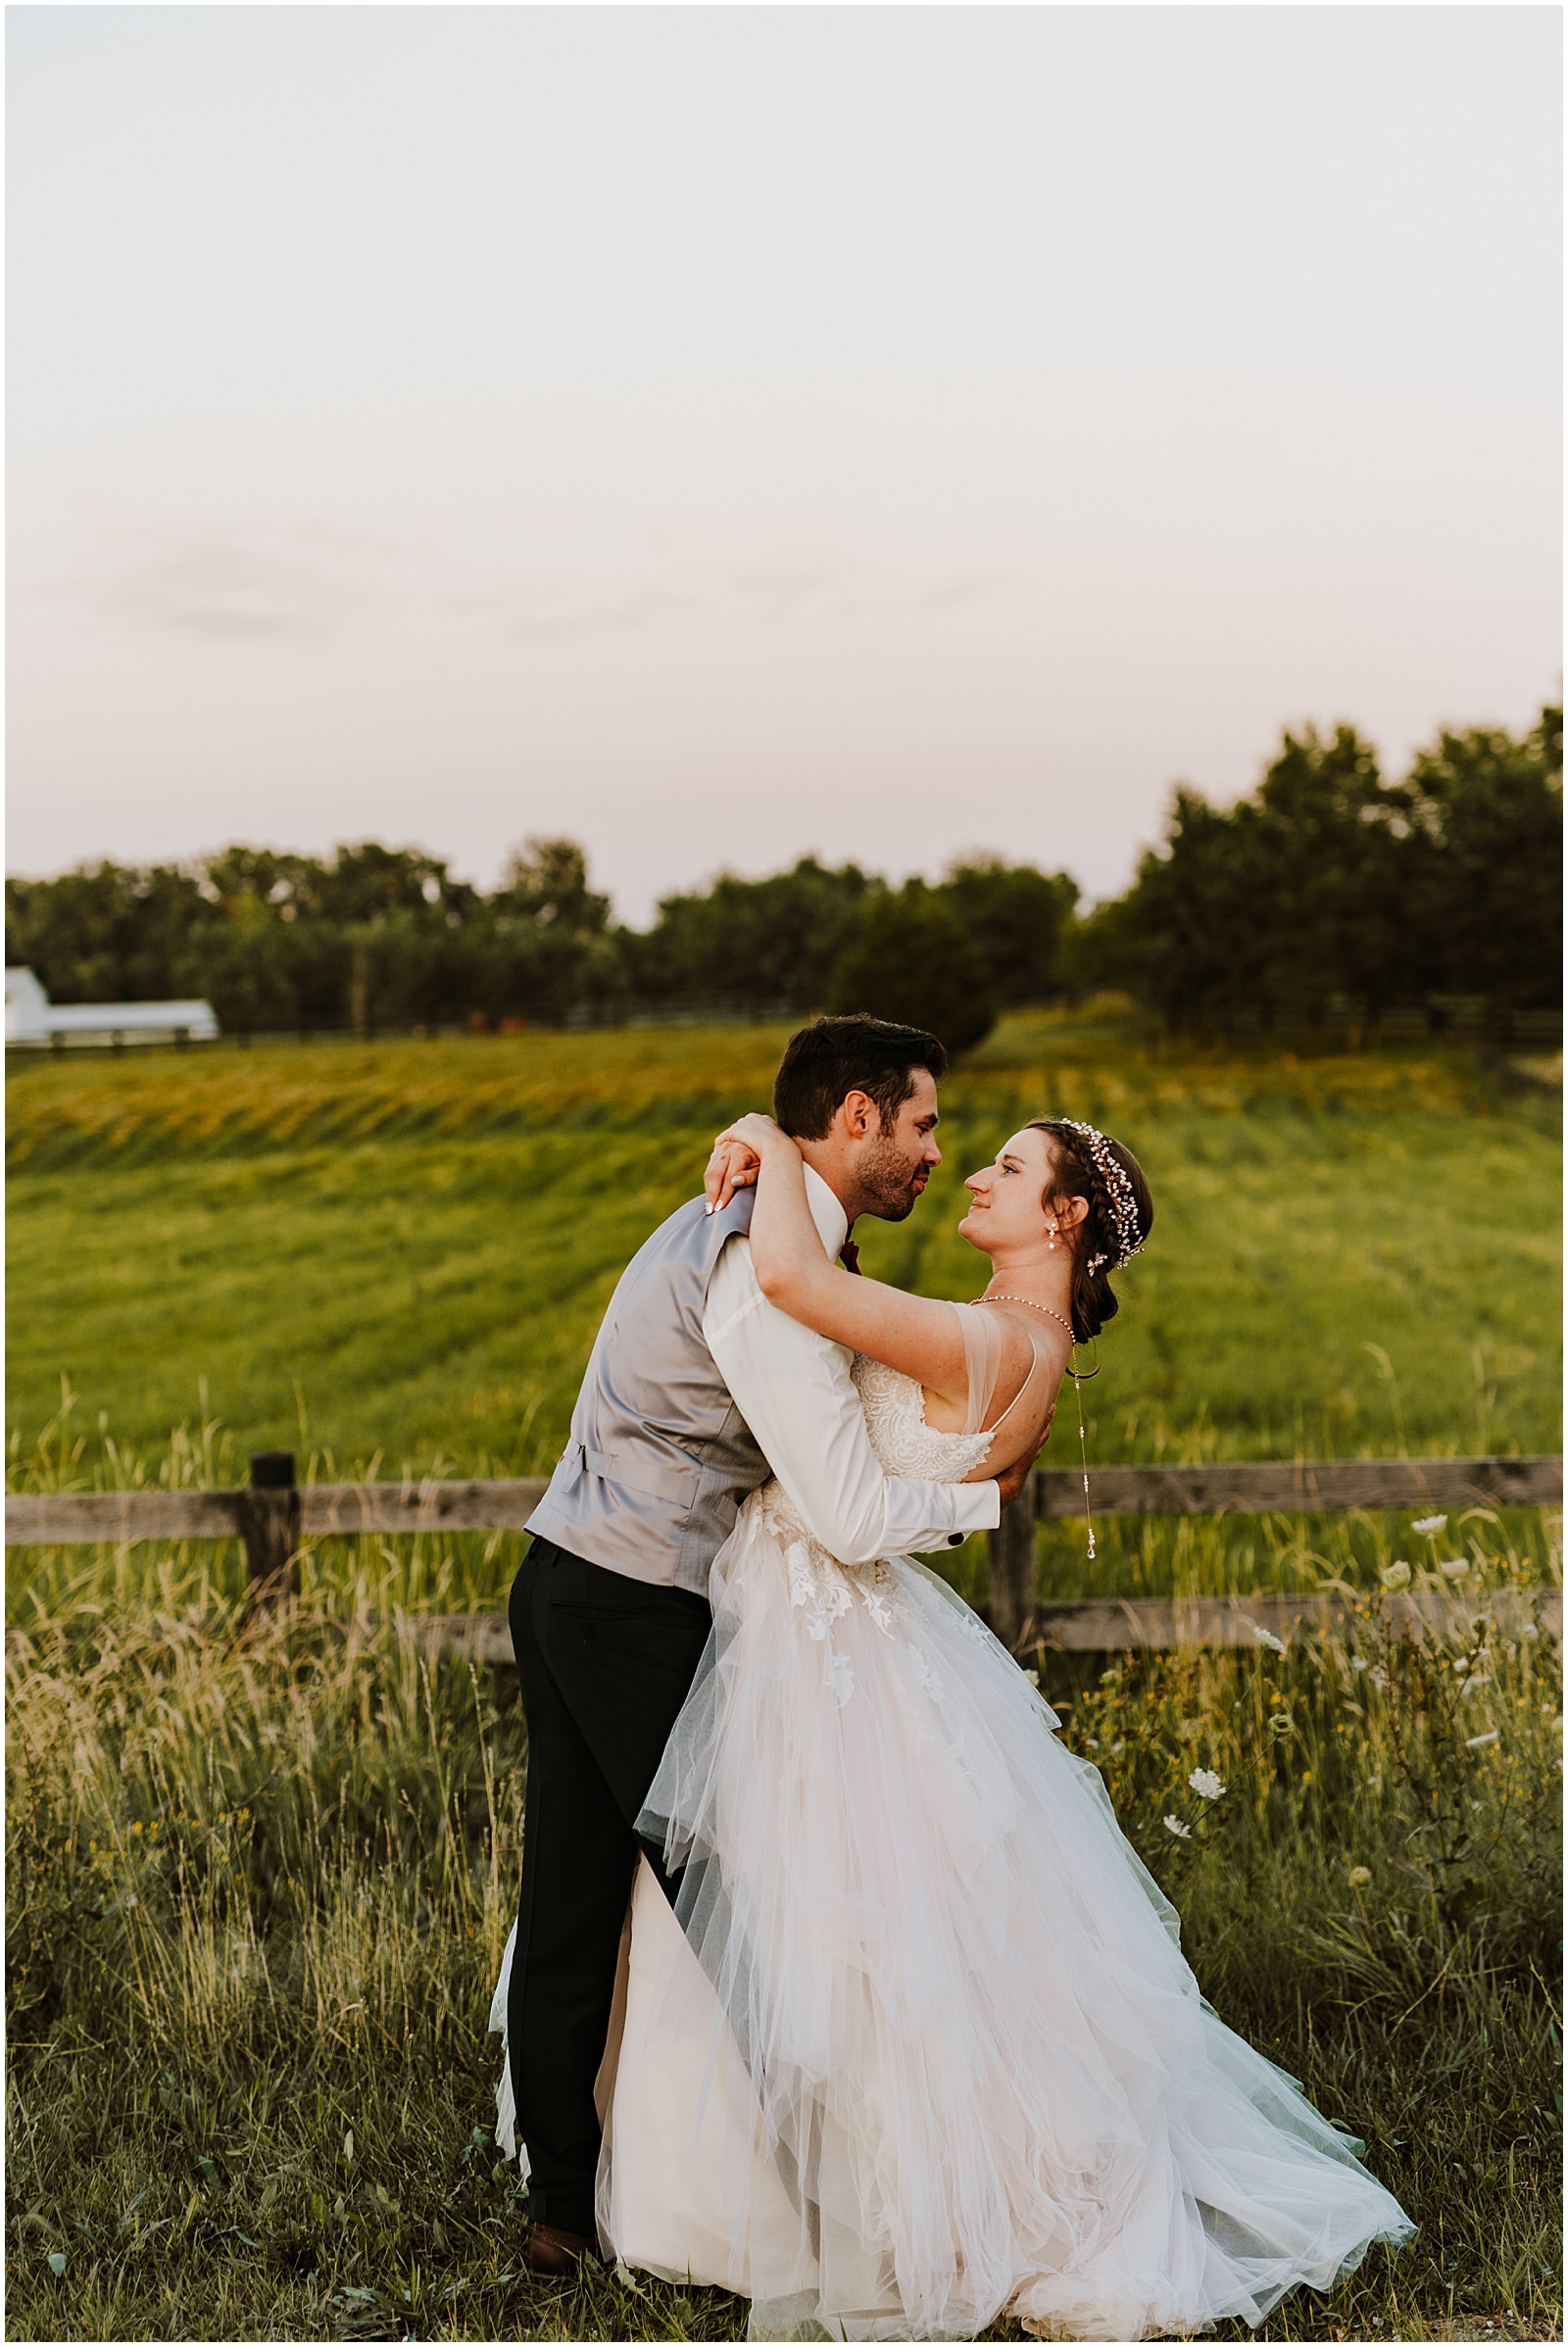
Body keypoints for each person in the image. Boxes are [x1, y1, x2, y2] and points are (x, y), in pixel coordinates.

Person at [542, 1105, 1414, 2340]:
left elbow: (788, 1276)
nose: (971, 1171)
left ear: (1063, 1216)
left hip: (818, 1616)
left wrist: (766, 1139)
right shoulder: (1026, 1339)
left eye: (1007, 1166)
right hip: (836, 1613)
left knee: (811, 1915)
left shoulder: (990, 1332)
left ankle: (837, 2200)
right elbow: (946, 1487)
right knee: (857, 1920)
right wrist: (973, 1511)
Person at [491, 1016, 1045, 2276]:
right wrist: (973, 1504)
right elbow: (845, 1507)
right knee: (747, 1904)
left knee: (577, 1893)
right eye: (921, 1125)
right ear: (854, 1118)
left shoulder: (765, 1205)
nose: (932, 1154)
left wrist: (758, 1139)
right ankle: (848, 2198)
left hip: (573, 1576)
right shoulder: (763, 1252)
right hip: (630, 1600)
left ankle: (562, 2214)